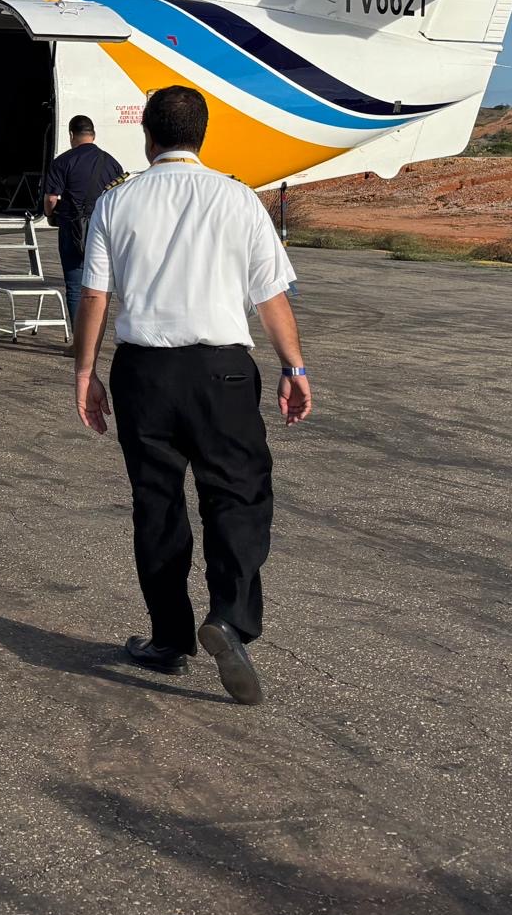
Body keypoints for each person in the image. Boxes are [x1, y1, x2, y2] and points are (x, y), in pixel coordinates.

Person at [70, 85, 312, 704]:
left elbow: (94, 295)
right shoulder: (239, 200)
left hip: (143, 373)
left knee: (157, 504)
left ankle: (168, 639)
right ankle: (229, 618)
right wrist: (295, 368)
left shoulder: (115, 202)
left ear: (147, 134)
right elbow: (270, 297)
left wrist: (85, 373)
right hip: (222, 372)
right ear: (203, 135)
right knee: (238, 494)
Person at [41, 113, 125, 328]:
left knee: (75, 286)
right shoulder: (112, 163)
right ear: (93, 135)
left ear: (71, 135)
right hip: (103, 230)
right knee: (100, 287)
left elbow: (51, 199)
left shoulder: (63, 162)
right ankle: (93, 338)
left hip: (72, 228)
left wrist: (51, 215)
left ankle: (79, 342)